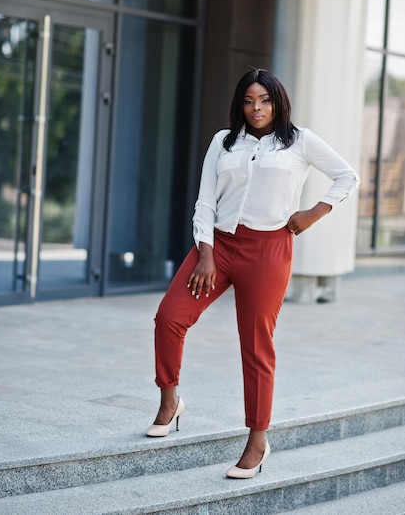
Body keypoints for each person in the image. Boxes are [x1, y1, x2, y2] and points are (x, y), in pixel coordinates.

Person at [146, 68, 359, 479]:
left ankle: (257, 441)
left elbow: (347, 176)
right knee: (169, 318)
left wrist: (314, 213)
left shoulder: (299, 142)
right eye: (249, 100)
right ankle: (170, 402)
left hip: (268, 251)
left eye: (264, 100)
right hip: (218, 248)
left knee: (256, 347)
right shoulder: (223, 143)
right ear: (240, 104)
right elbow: (205, 202)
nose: (256, 108)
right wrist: (205, 253)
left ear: (277, 102)